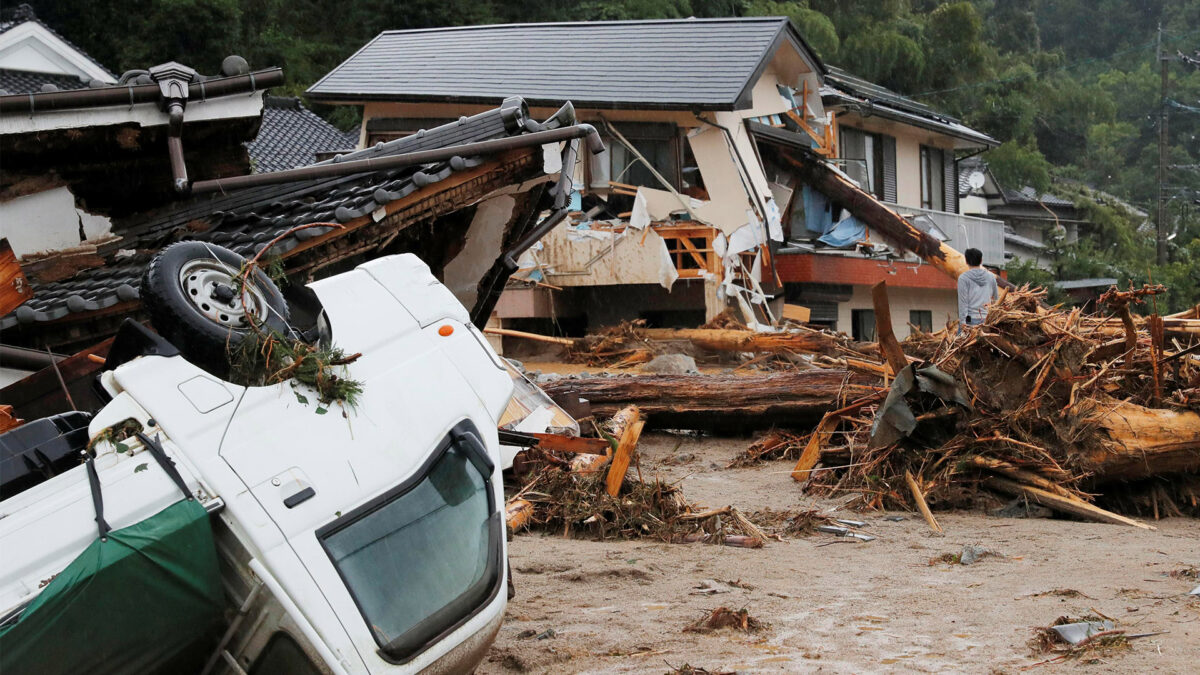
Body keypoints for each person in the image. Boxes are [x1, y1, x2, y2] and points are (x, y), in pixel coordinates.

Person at [957, 247, 998, 331]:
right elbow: (996, 299)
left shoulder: (963, 278)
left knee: (956, 343)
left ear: (966, 261)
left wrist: (963, 323)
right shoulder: (991, 277)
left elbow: (963, 303)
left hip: (970, 321)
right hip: (987, 320)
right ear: (981, 260)